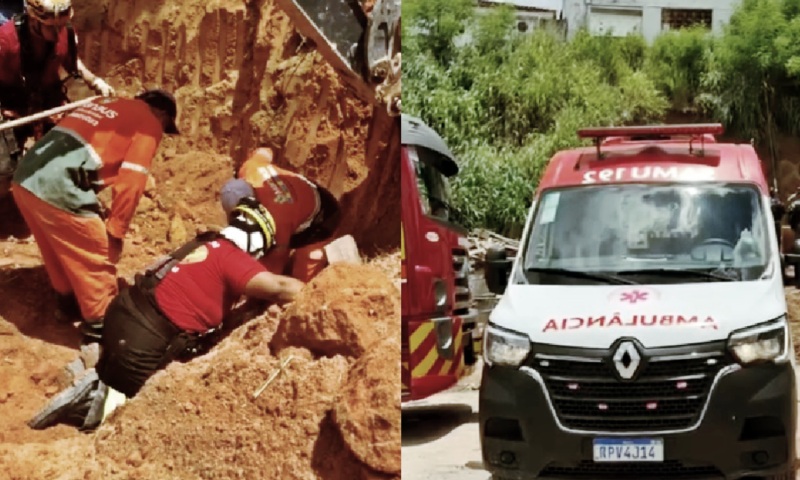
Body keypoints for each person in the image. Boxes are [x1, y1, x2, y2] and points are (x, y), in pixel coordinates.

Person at [28, 196, 305, 431]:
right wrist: (331, 286)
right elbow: (280, 287)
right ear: (258, 242)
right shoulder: (233, 258)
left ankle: (100, 361)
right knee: (155, 410)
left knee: (134, 357)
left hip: (121, 315)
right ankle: (93, 404)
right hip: (143, 342)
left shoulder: (202, 242)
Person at [11, 89, 180, 341]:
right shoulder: (149, 123)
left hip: (26, 177)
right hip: (57, 185)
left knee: (57, 248)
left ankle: (67, 304)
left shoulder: (105, 104)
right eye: (165, 125)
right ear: (162, 113)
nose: (162, 131)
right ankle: (100, 328)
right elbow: (132, 180)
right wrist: (116, 231)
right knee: (95, 254)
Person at [0, 0, 115, 149]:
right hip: (11, 102)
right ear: (33, 21)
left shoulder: (66, 32)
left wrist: (94, 81)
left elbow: (72, 62)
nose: (58, 32)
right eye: (52, 28)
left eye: (61, 25)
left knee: (62, 154)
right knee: (5, 167)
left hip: (48, 100)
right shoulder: (6, 40)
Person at [219, 147, 342, 281]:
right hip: (303, 191)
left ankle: (304, 291)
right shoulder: (250, 169)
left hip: (324, 216)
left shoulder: (277, 218)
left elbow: (276, 262)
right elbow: (265, 152)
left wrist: (262, 288)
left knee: (305, 270)